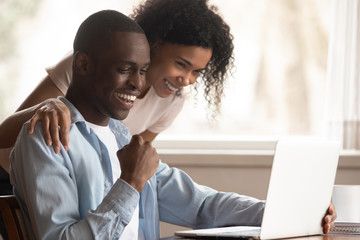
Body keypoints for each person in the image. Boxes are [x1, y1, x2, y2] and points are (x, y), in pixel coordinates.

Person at [9, 10, 336, 240]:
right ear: (82, 64)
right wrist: (130, 183)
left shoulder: (125, 139)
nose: (138, 84)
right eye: (126, 69)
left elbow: (203, 204)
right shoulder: (47, 136)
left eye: (143, 70)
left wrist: (286, 210)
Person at [0, 0, 232, 160]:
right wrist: (47, 108)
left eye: (197, 72)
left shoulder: (171, 103)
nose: (187, 80)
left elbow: (128, 159)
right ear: (154, 43)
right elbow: (3, 136)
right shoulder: (90, 66)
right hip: (12, 178)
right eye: (181, 64)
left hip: (66, 185)